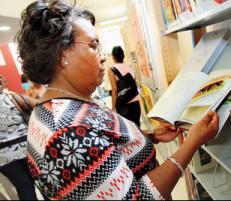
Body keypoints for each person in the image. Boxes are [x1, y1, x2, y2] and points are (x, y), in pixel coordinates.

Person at [16, 0, 219, 200]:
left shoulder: (69, 104)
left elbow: (106, 148)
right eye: (94, 45)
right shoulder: (66, 136)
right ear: (63, 55)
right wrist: (191, 143)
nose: (103, 56)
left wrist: (152, 137)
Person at [0, 74, 37, 200]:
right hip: (26, 147)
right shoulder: (10, 97)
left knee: (24, 188)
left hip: (3, 157)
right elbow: (38, 105)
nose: (5, 80)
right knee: (43, 184)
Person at [108, 46, 141, 127]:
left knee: (129, 130)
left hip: (124, 106)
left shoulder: (112, 70)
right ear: (123, 56)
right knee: (137, 127)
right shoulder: (129, 67)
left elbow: (115, 89)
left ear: (113, 56)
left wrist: (113, 108)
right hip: (136, 104)